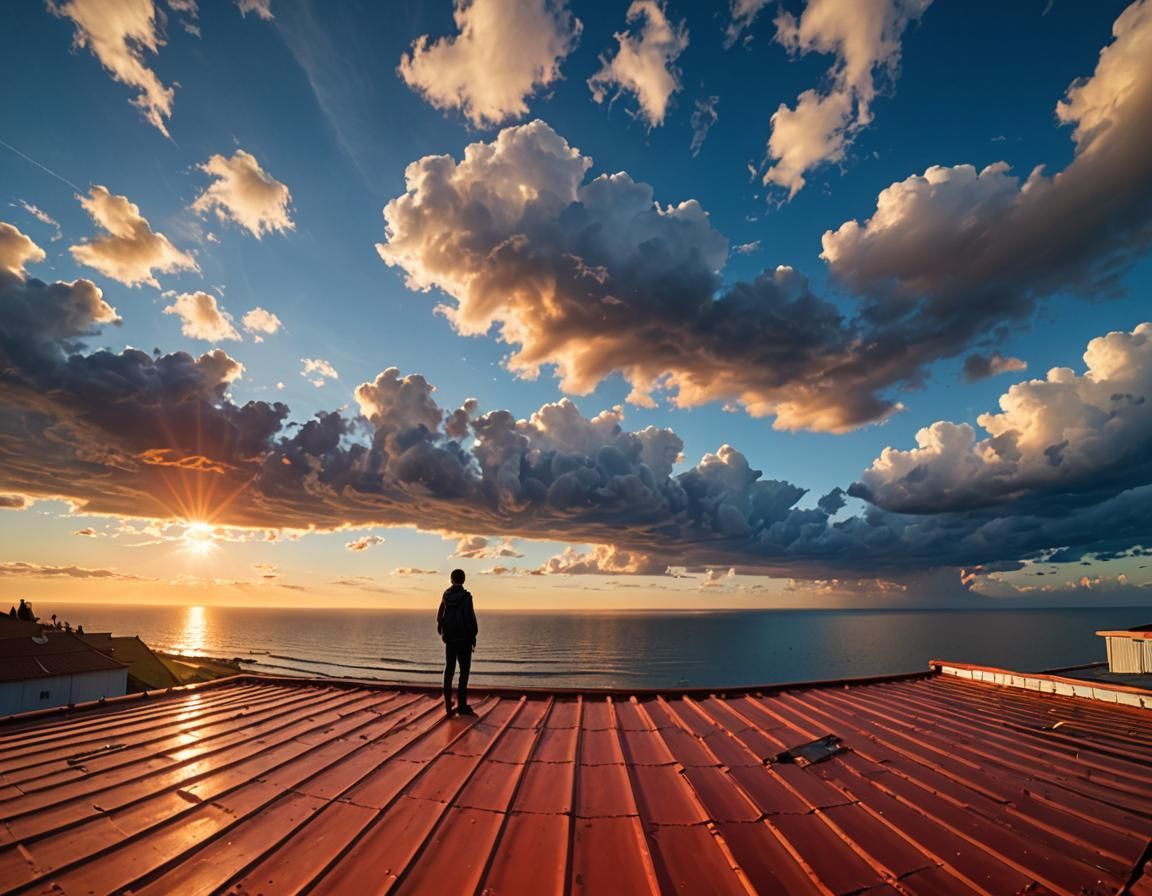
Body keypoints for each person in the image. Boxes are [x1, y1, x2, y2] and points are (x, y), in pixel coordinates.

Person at [437, 568, 478, 718]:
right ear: (464, 580)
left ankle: (448, 706)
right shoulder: (467, 597)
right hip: (464, 640)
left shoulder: (446, 596)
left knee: (449, 670)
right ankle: (462, 705)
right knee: (464, 672)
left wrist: (443, 632)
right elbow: (470, 620)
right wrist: (473, 636)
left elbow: (439, 617)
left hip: (450, 639)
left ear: (451, 579)